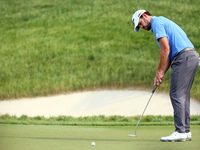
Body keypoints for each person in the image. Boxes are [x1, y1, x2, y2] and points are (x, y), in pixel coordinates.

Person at [132, 10, 199, 142]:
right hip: (191, 57)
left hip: (183, 58)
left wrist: (158, 71)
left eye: (140, 24)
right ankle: (185, 131)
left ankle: (180, 131)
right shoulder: (162, 22)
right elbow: (169, 55)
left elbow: (165, 49)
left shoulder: (156, 23)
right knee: (183, 95)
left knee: (176, 94)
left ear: (144, 16)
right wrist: (161, 73)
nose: (142, 27)